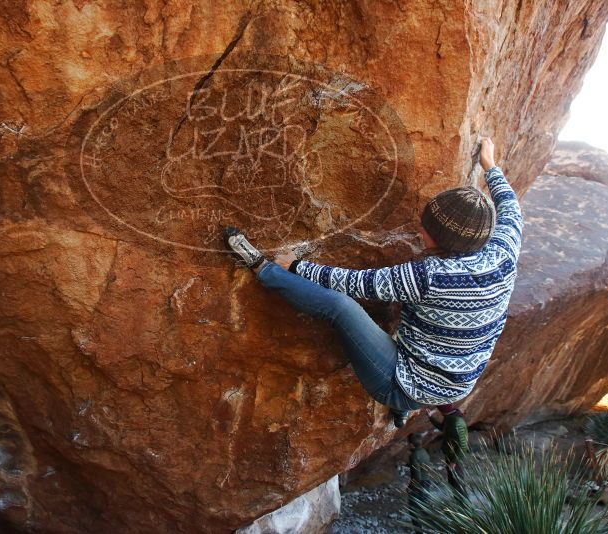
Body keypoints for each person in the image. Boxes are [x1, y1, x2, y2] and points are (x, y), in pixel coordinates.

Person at [223, 138, 523, 427]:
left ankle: (262, 269)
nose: (419, 224)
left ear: (439, 240)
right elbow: (510, 207)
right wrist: (490, 165)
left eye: (426, 225)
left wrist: (297, 265)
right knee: (409, 322)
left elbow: (354, 283)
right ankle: (409, 404)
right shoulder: (504, 251)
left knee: (341, 307)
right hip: (457, 384)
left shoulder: (431, 277)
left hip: (400, 385)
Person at [428, 404, 469, 494]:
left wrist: (454, 462)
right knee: (452, 480)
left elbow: (463, 445)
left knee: (457, 480)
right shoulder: (450, 417)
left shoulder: (456, 423)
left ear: (443, 411)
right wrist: (431, 417)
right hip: (450, 453)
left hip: (455, 456)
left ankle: (463, 504)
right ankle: (457, 500)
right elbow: (443, 428)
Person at [406, 432, 431, 533]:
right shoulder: (423, 451)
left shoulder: (414, 455)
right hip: (427, 482)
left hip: (419, 484)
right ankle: (431, 525)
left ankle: (419, 531)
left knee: (413, 509)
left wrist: (410, 487)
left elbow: (416, 476)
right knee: (424, 506)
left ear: (411, 444)